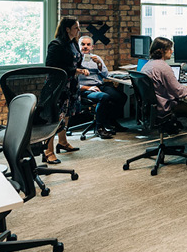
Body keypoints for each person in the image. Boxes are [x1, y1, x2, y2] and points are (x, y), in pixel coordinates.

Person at [141, 36, 187, 141]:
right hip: (165, 108)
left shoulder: (147, 65)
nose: (172, 51)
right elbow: (179, 93)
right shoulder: (163, 67)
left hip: (153, 108)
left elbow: (170, 88)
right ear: (162, 51)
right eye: (170, 49)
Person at [42, 17, 86, 163]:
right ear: (67, 29)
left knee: (66, 115)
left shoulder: (73, 43)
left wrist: (81, 69)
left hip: (71, 84)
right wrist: (75, 70)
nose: (79, 31)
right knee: (55, 117)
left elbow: (77, 62)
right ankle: (48, 151)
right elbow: (51, 66)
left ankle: (63, 142)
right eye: (76, 28)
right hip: (58, 85)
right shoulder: (56, 44)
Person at [78, 34, 127, 139]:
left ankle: (111, 121)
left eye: (88, 44)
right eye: (83, 44)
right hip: (85, 89)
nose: (85, 46)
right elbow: (71, 83)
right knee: (104, 97)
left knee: (121, 97)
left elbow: (105, 75)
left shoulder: (96, 58)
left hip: (99, 85)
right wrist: (88, 88)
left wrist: (99, 64)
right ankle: (99, 128)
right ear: (78, 46)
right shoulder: (75, 60)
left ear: (92, 47)